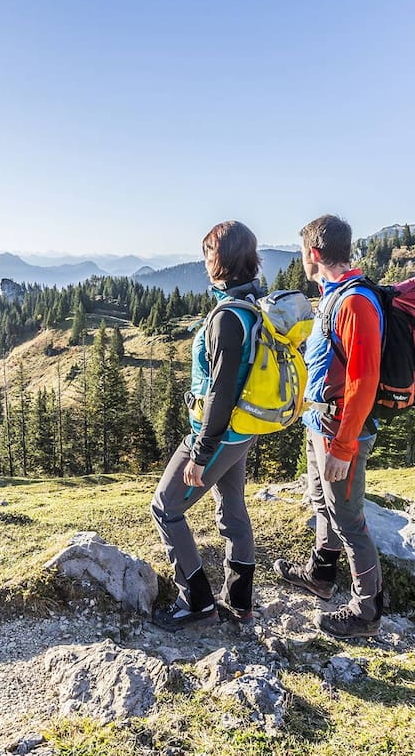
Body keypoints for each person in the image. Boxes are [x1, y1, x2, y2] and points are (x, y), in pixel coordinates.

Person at [274, 214, 385, 639]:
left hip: (341, 431)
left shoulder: (355, 302)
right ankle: (321, 574)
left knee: (348, 517)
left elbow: (364, 379)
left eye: (303, 253)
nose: (302, 259)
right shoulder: (333, 296)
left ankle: (366, 609)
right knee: (322, 501)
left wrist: (343, 445)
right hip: (320, 422)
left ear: (315, 254)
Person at [150, 220, 265, 631]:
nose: (204, 262)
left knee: (165, 507)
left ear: (221, 259)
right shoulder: (254, 304)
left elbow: (219, 393)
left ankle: (196, 601)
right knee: (233, 512)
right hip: (242, 431)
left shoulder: (226, 318)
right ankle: (239, 603)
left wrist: (200, 453)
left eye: (207, 254)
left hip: (216, 434)